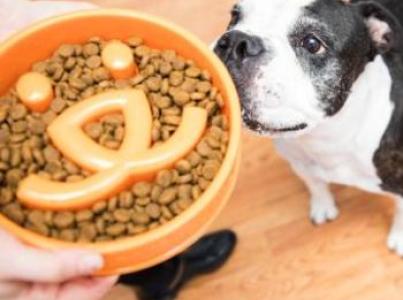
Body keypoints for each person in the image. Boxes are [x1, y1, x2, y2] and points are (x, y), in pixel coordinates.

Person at [0, 1, 237, 300]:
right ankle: (161, 283)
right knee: (128, 253)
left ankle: (168, 271)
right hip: (42, 244)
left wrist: (10, 12)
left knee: (150, 233)